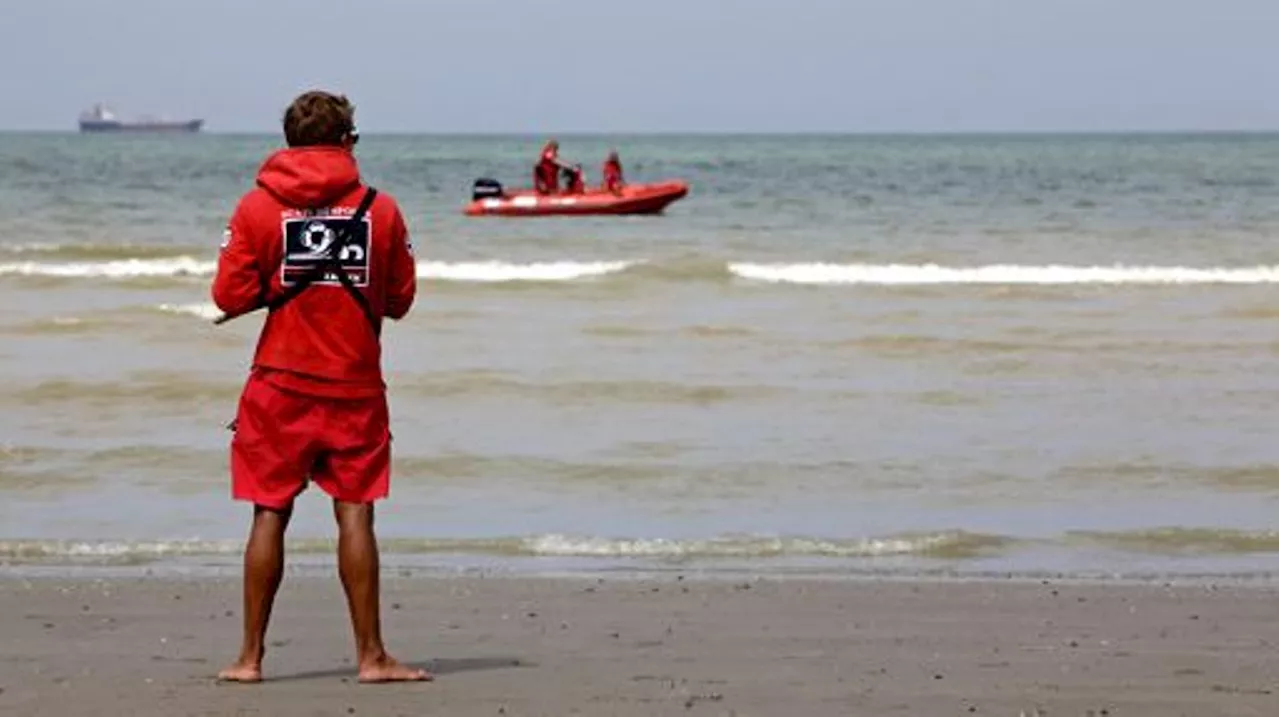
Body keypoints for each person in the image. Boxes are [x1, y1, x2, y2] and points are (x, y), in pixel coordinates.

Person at [211, 89, 428, 685]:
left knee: (269, 512)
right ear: (346, 141)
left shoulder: (256, 209)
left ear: (289, 143)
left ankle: (250, 660)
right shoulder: (381, 210)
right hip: (354, 387)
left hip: (277, 386)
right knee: (355, 514)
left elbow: (228, 296)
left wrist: (277, 284)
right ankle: (372, 656)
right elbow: (402, 301)